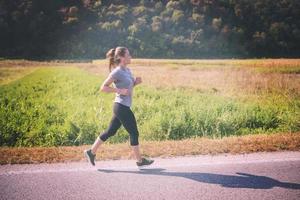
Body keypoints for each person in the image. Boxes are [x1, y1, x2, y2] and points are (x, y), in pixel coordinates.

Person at [84, 46, 154, 168]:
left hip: (123, 106)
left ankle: (91, 152)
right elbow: (103, 87)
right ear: (121, 57)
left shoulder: (127, 70)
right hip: (121, 106)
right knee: (134, 132)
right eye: (128, 55)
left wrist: (135, 83)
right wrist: (118, 90)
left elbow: (129, 88)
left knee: (111, 131)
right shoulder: (116, 72)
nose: (130, 56)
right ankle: (140, 161)